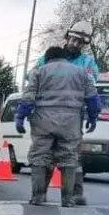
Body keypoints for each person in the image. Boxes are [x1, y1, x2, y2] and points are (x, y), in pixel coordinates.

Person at [17, 46, 102, 207]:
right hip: (71, 122)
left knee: (40, 156)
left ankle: (38, 196)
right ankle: (68, 199)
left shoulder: (39, 72)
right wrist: (93, 117)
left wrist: (20, 118)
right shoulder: (81, 73)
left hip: (43, 121)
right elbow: (92, 97)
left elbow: (28, 97)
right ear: (63, 57)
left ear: (48, 58)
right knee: (69, 157)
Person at [35, 21, 100, 205]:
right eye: (73, 40)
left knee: (73, 156)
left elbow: (91, 85)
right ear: (67, 37)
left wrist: (92, 114)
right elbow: (33, 77)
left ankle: (74, 195)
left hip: (72, 115)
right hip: (48, 114)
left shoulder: (87, 63)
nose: (75, 44)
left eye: (80, 42)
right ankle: (39, 195)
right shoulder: (49, 57)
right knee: (44, 154)